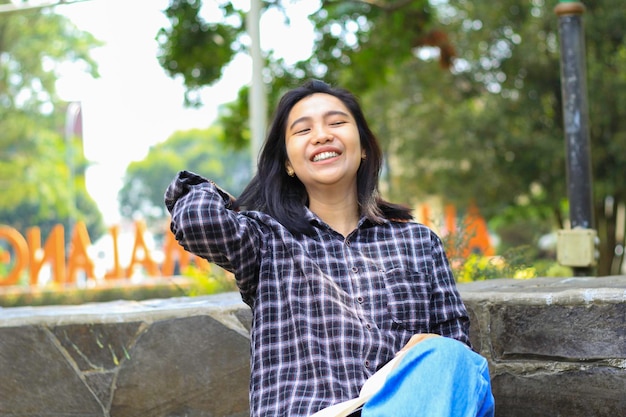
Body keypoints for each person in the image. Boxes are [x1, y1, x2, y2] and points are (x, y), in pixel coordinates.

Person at [165, 79, 494, 417]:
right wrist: (252, 195)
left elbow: (458, 363)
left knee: (451, 358)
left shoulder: (418, 243)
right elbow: (196, 222)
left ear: (363, 147)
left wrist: (426, 354)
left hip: (404, 406)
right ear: (288, 163)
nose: (322, 135)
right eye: (302, 130)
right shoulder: (264, 240)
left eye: (336, 123)